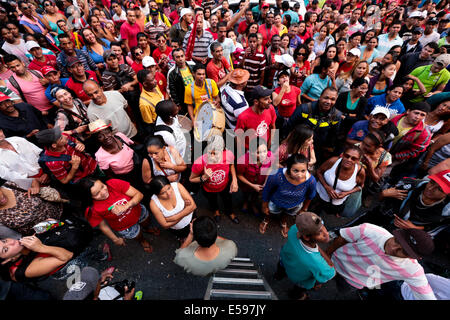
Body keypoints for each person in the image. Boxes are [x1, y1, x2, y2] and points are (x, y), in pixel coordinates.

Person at [326, 224, 437, 300]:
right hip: (332, 263)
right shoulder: (369, 230)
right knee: (316, 281)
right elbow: (343, 238)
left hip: (351, 283)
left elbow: (426, 296)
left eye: (403, 251)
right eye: (397, 241)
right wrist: (326, 255)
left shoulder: (412, 270)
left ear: (415, 258)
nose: (393, 248)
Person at [81, 178, 154, 253]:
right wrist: (115, 239)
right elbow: (103, 226)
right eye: (97, 194)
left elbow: (139, 195)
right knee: (137, 236)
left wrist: (126, 206)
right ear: (90, 197)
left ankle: (147, 229)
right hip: (125, 227)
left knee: (146, 222)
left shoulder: (113, 183)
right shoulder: (92, 209)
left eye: (102, 186)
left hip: (138, 211)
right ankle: (142, 241)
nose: (103, 192)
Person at [275, 212, 335, 300]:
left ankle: (278, 276)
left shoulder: (294, 229)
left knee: (281, 269)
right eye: (319, 233)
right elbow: (331, 271)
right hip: (300, 279)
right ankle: (298, 297)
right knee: (299, 291)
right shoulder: (317, 262)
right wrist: (318, 249)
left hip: (285, 259)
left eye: (323, 226)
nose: (326, 234)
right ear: (306, 237)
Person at [260, 154, 317, 238]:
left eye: (303, 171)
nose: (300, 175)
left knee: (287, 214)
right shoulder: (277, 175)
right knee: (270, 213)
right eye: (296, 171)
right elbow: (267, 190)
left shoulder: (311, 181)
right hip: (276, 201)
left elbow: (310, 196)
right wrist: (264, 205)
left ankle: (283, 222)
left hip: (295, 204)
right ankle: (266, 220)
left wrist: (304, 209)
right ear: (288, 168)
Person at [189, 135, 239, 224]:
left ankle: (230, 212)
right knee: (212, 201)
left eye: (215, 153)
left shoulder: (228, 155)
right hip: (208, 188)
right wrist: (203, 177)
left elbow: (231, 165)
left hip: (225, 185)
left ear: (222, 150)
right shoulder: (200, 162)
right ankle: (216, 211)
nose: (212, 157)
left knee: (227, 199)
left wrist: (234, 179)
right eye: (209, 152)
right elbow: (191, 179)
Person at [284, 87, 342, 164]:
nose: (328, 101)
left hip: (317, 149)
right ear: (320, 97)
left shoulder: (336, 116)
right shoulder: (304, 109)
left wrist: (327, 149)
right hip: (296, 146)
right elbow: (289, 127)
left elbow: (333, 134)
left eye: (332, 99)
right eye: (326, 98)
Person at [173, 216, 238, 276]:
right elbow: (224, 240)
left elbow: (180, 252)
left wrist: (191, 234)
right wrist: (209, 233)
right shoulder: (231, 246)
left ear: (195, 238)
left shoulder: (184, 258)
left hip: (200, 272)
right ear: (215, 232)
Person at [315, 145, 366, 217]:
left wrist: (347, 193)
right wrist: (326, 187)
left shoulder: (360, 172)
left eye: (353, 159)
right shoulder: (333, 161)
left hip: (338, 203)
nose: (349, 160)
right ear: (342, 155)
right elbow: (319, 171)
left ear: (358, 161)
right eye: (347, 156)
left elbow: (361, 186)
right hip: (319, 196)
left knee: (329, 214)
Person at [0, 234, 73, 282]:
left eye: (4, 241)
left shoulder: (21, 246)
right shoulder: (27, 270)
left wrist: (50, 223)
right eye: (5, 249)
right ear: (6, 261)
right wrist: (41, 247)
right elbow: (67, 256)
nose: (11, 242)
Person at [389, 103, 432, 179]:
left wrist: (393, 157)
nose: (418, 117)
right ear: (408, 111)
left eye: (422, 115)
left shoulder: (424, 133)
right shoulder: (392, 117)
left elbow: (413, 151)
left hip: (392, 160)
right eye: (416, 113)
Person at [149, 176, 195, 242]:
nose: (168, 193)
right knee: (182, 236)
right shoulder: (153, 204)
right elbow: (165, 225)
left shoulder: (177, 186)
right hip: (177, 229)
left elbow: (193, 206)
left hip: (191, 219)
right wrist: (185, 210)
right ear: (156, 194)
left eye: (169, 188)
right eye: (163, 193)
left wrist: (173, 218)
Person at [235, 85, 277, 151]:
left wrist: (269, 144)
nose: (270, 101)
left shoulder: (271, 109)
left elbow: (273, 126)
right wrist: (241, 155)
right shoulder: (243, 117)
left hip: (265, 147)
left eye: (270, 98)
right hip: (250, 150)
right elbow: (238, 137)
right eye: (266, 99)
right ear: (256, 102)